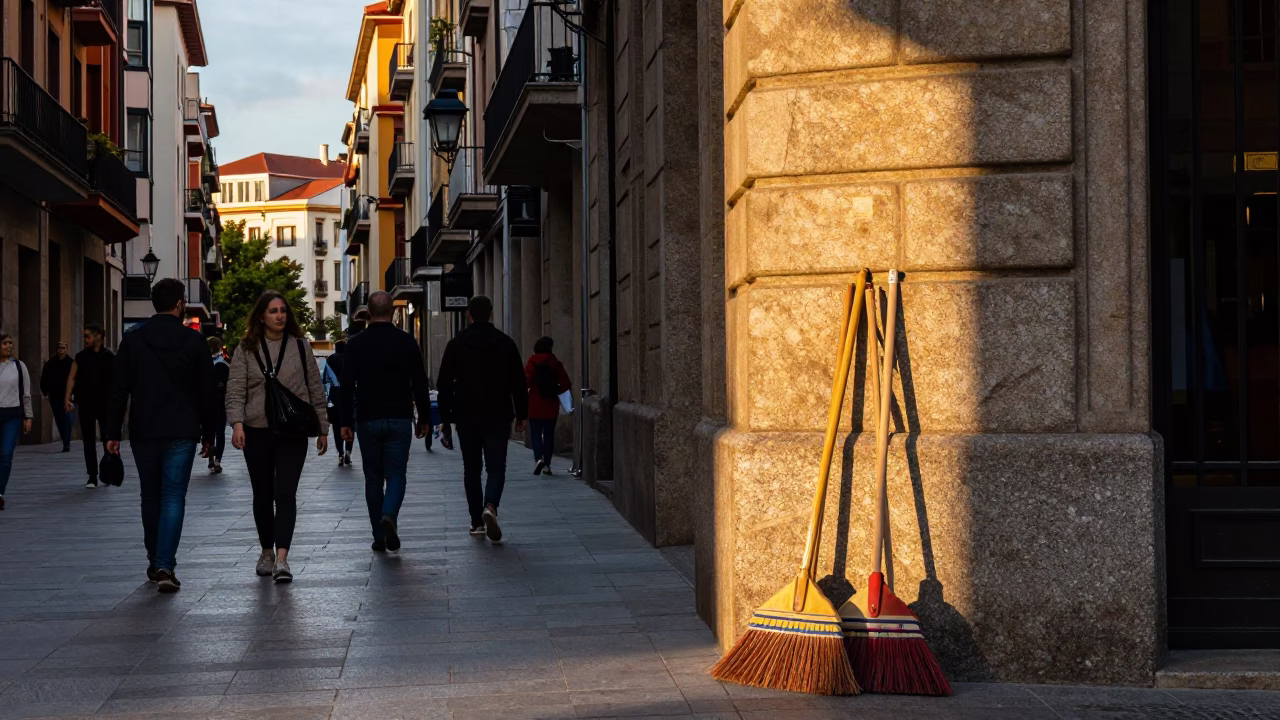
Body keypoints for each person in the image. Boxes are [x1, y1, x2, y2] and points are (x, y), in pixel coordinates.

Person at [104, 279, 217, 593]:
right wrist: (210, 433)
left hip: (144, 429)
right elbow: (208, 391)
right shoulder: (193, 341)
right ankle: (165, 564)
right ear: (181, 303)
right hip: (182, 429)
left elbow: (118, 390)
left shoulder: (133, 340)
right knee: (172, 496)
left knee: (150, 495)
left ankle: (155, 559)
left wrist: (112, 432)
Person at [226, 291, 329, 583]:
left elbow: (314, 387)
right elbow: (235, 389)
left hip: (292, 431)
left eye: (283, 310)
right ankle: (267, 551)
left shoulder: (300, 346)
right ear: (261, 316)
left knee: (285, 493)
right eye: (273, 311)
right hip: (256, 429)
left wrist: (322, 427)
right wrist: (237, 423)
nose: (280, 315)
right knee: (262, 494)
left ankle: (282, 559)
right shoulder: (245, 349)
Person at [339, 291, 431, 553]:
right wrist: (423, 417)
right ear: (392, 312)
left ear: (368, 313)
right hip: (400, 417)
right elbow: (419, 382)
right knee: (396, 475)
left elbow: (346, 386)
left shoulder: (355, 344)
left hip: (368, 418)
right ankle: (389, 514)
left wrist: (345, 421)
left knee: (372, 478)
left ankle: (379, 536)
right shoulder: (406, 341)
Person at [435, 295, 528, 542]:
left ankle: (476, 522)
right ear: (492, 313)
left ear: (468, 314)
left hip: (466, 416)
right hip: (498, 415)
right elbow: (518, 382)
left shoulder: (456, 344)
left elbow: (444, 384)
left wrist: (445, 418)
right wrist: (521, 414)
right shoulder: (505, 343)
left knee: (472, 470)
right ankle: (491, 506)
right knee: (497, 467)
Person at [66, 323, 114, 488]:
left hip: (104, 403)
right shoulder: (80, 357)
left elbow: (117, 382)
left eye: (88, 336)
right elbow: (72, 377)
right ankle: (92, 475)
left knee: (107, 437)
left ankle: (107, 472)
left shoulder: (109, 357)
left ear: (98, 336)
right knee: (88, 440)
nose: (85, 339)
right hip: (85, 403)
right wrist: (67, 398)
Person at [524, 337, 572, 476]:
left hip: (535, 403)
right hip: (551, 404)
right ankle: (548, 465)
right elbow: (565, 384)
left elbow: (526, 381)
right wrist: (555, 389)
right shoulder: (555, 364)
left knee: (535, 434)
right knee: (549, 435)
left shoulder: (532, 363)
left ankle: (538, 459)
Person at [0, 335, 33, 511]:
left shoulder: (19, 367)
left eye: (10, 343)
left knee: (6, 455)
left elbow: (26, 394)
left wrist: (28, 416)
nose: (8, 346)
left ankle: (0, 493)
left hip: (12, 415)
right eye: (5, 343)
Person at [323, 340, 353, 466]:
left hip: (334, 394)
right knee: (350, 424)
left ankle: (340, 453)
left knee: (336, 425)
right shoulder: (350, 360)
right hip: (349, 393)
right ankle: (348, 451)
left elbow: (325, 380)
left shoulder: (329, 361)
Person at [40, 342, 73, 452]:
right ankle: (65, 439)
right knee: (59, 418)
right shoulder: (50, 364)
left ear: (66, 349)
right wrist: (45, 391)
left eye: (63, 348)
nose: (61, 350)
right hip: (55, 395)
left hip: (68, 396)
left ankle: (67, 442)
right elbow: (44, 378)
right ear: (56, 349)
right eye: (59, 348)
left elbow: (76, 378)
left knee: (68, 418)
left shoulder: (71, 363)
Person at [208, 337, 230, 474]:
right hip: (220, 403)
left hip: (208, 404)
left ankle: (212, 457)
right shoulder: (223, 364)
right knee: (219, 432)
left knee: (210, 432)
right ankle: (217, 460)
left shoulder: (204, 364)